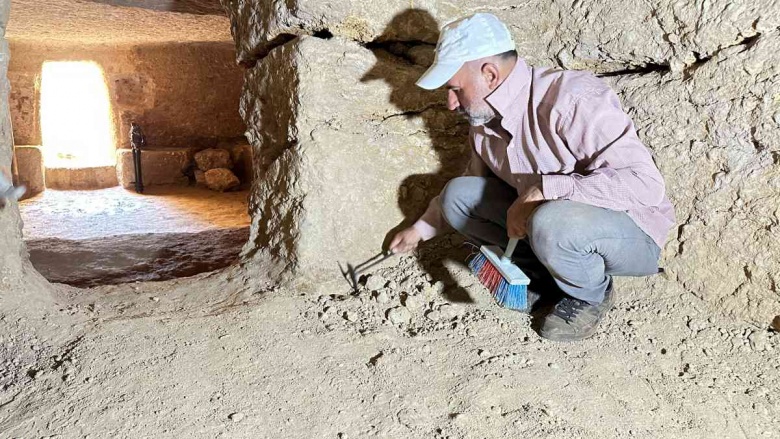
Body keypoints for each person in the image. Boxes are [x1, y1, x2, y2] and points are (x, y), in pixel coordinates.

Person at [388, 13, 675, 341]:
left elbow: (645, 186)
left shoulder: (571, 98)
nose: (451, 104)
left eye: (455, 89)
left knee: (551, 220)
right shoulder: (484, 128)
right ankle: (543, 279)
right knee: (459, 195)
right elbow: (471, 186)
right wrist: (421, 228)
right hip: (553, 228)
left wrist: (545, 189)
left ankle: (590, 295)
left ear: (490, 74)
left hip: (632, 233)